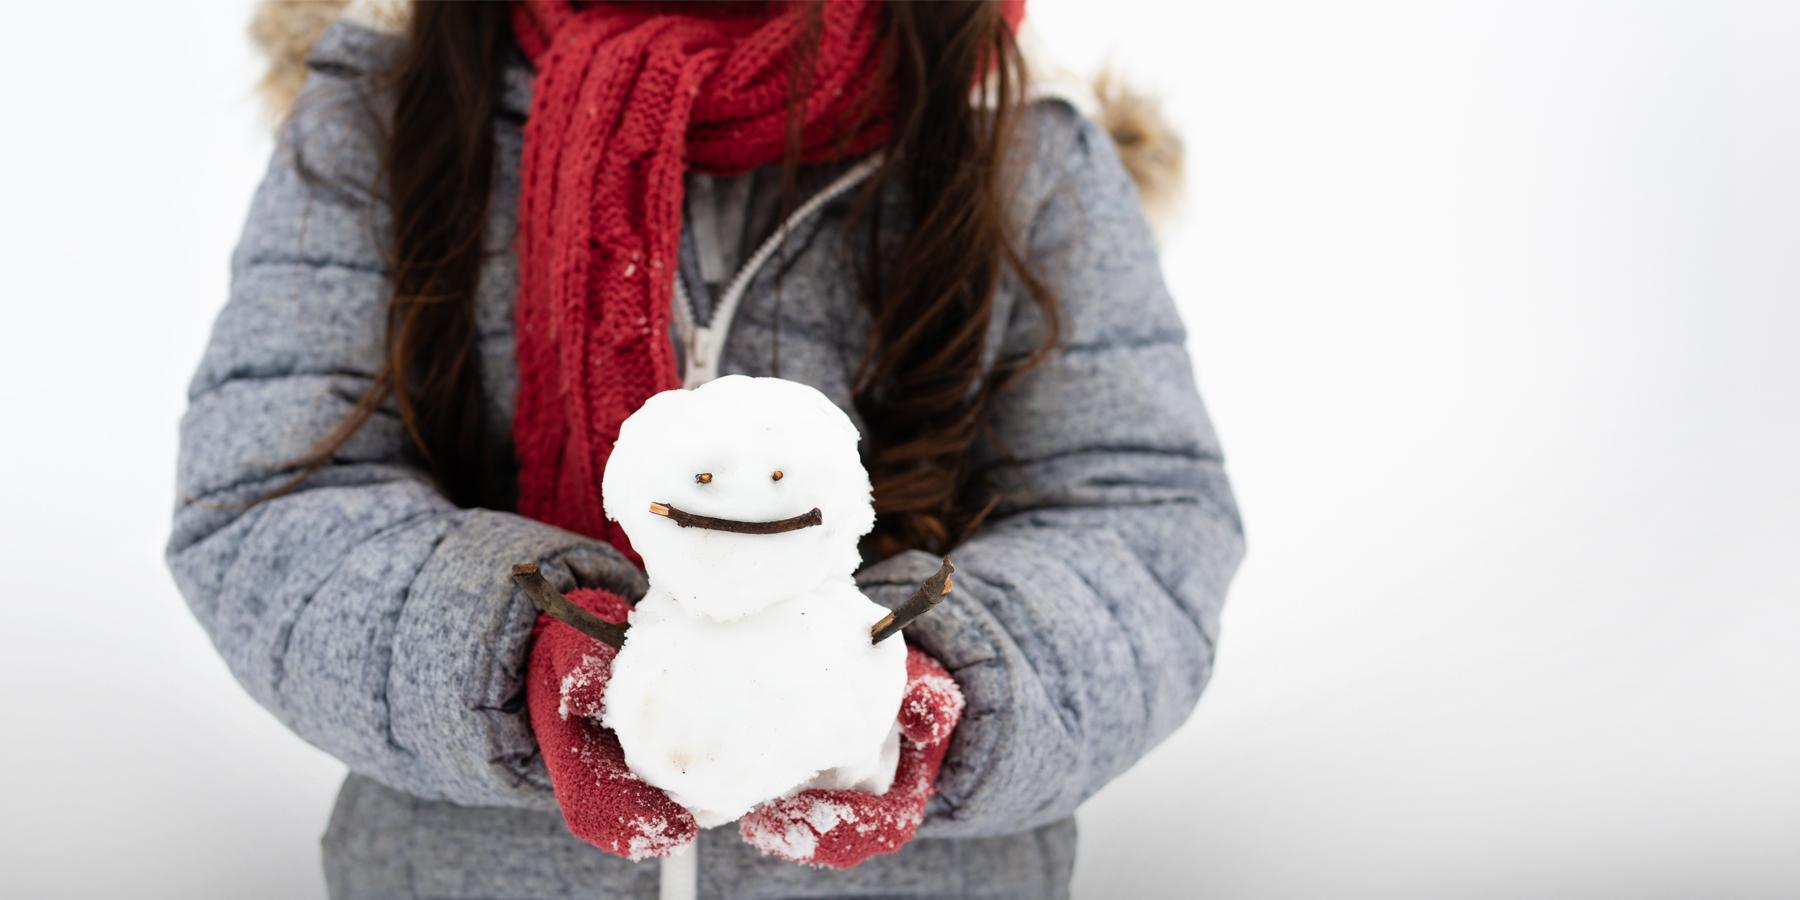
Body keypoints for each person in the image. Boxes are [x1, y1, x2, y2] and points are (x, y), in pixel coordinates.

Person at [169, 0, 1243, 896]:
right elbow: (270, 497)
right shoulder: (389, 108)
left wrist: (927, 682)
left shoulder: (1018, 140)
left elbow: (1142, 519)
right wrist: (519, 652)